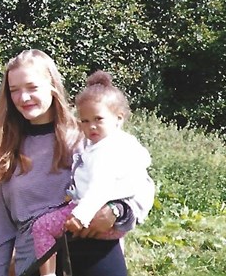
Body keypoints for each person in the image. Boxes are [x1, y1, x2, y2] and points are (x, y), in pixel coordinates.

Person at [0, 49, 154, 276]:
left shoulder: (87, 136)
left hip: (96, 259)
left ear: (52, 85)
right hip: (36, 266)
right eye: (14, 90)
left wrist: (117, 210)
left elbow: (140, 185)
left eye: (32, 87)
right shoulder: (7, 151)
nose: (23, 98)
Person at [31, 70, 153, 276]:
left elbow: (101, 188)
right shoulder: (119, 144)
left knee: (41, 227)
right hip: (104, 228)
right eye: (85, 121)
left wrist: (83, 215)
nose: (91, 126)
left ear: (119, 118)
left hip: (92, 216)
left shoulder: (104, 151)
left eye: (98, 119)